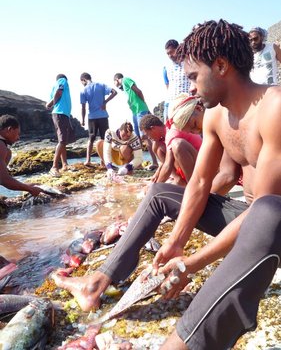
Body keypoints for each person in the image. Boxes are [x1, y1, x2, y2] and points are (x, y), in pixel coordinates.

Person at [53, 20, 281, 350]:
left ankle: (184, 343)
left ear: (221, 66)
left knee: (269, 210)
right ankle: (97, 283)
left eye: (193, 77)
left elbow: (267, 205)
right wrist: (175, 243)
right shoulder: (218, 117)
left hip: (273, 224)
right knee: (161, 194)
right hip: (248, 217)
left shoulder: (274, 108)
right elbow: (202, 183)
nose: (191, 88)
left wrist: (194, 261)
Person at [139, 103, 202, 185]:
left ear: (153, 129)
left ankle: (192, 185)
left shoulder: (171, 132)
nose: (148, 138)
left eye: (147, 134)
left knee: (177, 144)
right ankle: (179, 179)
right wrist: (157, 172)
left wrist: (155, 187)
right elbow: (164, 162)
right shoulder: (166, 131)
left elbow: (168, 164)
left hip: (201, 162)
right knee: (157, 146)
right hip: (192, 161)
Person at [113, 73, 158, 170]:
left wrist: (144, 103)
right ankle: (138, 163)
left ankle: (155, 162)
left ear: (116, 80)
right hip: (135, 112)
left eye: (115, 84)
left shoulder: (125, 80)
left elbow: (138, 91)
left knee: (144, 136)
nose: (116, 87)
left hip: (140, 110)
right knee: (137, 139)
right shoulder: (124, 88)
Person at [80, 72, 117, 167]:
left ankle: (88, 160)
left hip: (92, 117)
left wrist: (83, 120)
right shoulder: (101, 85)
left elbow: (83, 107)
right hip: (103, 116)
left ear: (83, 80)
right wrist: (105, 101)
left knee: (91, 139)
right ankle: (103, 161)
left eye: (82, 82)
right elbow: (114, 92)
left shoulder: (83, 90)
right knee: (104, 139)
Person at [0, 115, 42, 196]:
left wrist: (25, 186)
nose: (18, 138)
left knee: (8, 152)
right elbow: (4, 180)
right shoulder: (1, 145)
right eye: (18, 133)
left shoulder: (6, 150)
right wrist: (30, 189)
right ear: (10, 129)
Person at [46, 74, 74, 177]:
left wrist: (50, 104)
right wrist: (53, 102)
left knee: (63, 140)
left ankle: (65, 164)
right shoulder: (62, 80)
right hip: (61, 113)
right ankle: (54, 167)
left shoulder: (53, 87)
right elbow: (59, 91)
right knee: (62, 140)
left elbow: (49, 103)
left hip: (62, 113)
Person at [163, 39, 191, 121]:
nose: (170, 55)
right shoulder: (166, 68)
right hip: (170, 103)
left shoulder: (189, 63)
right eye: (168, 53)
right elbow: (167, 86)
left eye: (171, 52)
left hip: (187, 103)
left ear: (178, 49)